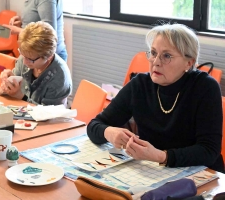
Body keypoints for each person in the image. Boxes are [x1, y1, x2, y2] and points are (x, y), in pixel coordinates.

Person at [87, 23, 224, 172]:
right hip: (154, 170)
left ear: (189, 62)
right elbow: (94, 125)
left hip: (201, 173)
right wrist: (109, 132)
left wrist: (161, 156)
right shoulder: (140, 84)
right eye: (153, 53)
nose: (156, 62)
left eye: (166, 56)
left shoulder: (205, 87)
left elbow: (209, 151)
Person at [0, 21, 72, 106]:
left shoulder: (59, 76)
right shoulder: (27, 56)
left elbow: (49, 115)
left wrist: (20, 97)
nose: (24, 62)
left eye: (30, 59)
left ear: (49, 56)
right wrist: (6, 85)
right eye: (22, 55)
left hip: (49, 117)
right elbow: (4, 94)